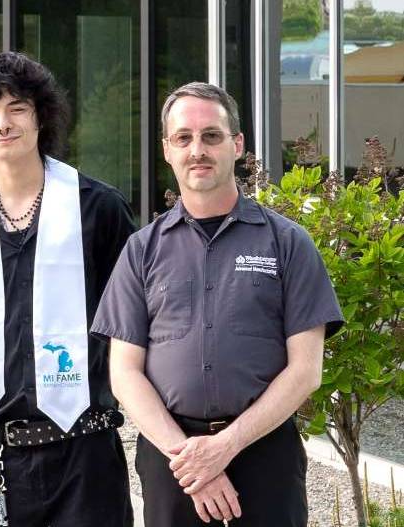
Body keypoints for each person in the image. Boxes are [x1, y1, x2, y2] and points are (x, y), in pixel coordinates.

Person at [94, 82, 343, 527]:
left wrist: (224, 446)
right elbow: (124, 372)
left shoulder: (288, 243)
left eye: (211, 136)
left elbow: (306, 370)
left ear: (237, 145)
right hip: (173, 459)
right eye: (183, 138)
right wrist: (194, 464)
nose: (198, 150)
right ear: (167, 150)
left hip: (264, 454)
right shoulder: (141, 250)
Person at [0, 51, 137, 527]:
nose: (3, 122)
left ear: (41, 115)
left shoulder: (99, 210)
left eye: (16, 107)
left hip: (84, 452)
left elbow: (130, 323)